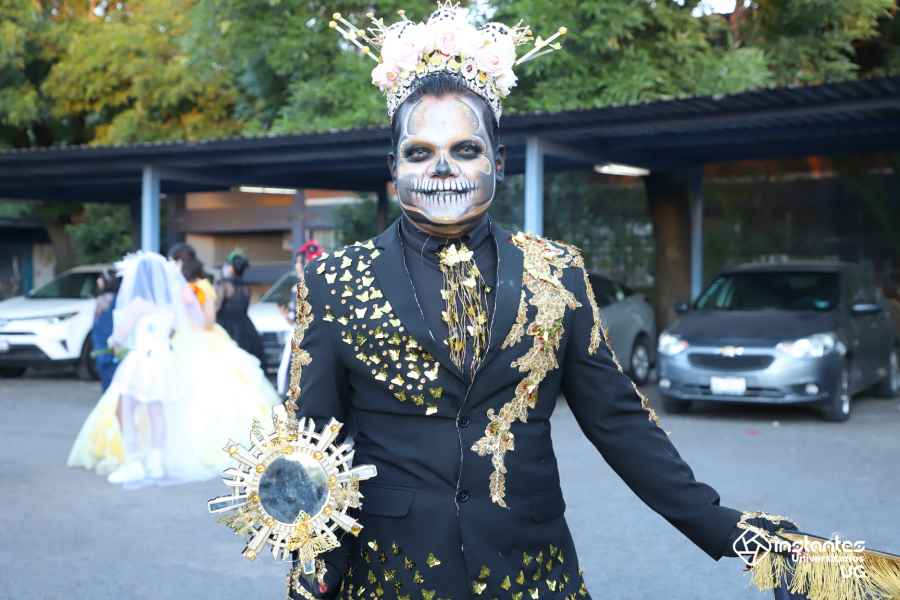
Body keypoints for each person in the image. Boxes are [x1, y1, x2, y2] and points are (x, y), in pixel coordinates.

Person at [274, 5, 831, 600]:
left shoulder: (557, 272)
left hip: (533, 571)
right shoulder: (334, 280)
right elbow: (308, 444)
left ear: (499, 163)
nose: (442, 169)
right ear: (393, 169)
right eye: (419, 152)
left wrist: (736, 535)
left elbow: (618, 421)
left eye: (466, 149)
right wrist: (312, 567)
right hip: (388, 573)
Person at [68, 251, 196, 484]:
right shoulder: (169, 306)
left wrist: (113, 344)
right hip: (163, 361)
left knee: (126, 410)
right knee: (157, 412)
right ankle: (157, 462)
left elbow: (119, 336)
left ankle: (134, 461)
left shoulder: (137, 305)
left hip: (141, 361)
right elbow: (175, 331)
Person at [168, 243, 281, 473]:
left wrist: (191, 313)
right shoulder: (244, 288)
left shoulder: (212, 286)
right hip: (244, 329)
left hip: (214, 333)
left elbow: (210, 316)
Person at [277, 240, 323, 396]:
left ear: (306, 263)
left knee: (294, 378)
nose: (296, 266)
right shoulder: (321, 285)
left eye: (298, 262)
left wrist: (286, 315)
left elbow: (296, 318)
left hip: (301, 338)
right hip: (317, 338)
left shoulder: (299, 288)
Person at [215, 249, 265, 364]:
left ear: (231, 268)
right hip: (246, 329)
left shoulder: (223, 284)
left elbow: (215, 308)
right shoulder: (246, 288)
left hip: (225, 328)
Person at [91, 269, 120, 392]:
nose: (98, 281)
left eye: (101, 278)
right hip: (112, 344)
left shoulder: (103, 300)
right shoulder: (117, 299)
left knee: (107, 377)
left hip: (104, 342)